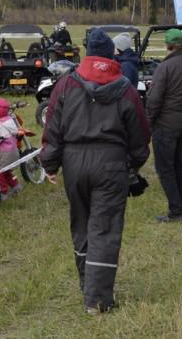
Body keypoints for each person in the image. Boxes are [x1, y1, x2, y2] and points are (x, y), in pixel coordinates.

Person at [41, 29, 150, 314]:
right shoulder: (126, 87)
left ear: (87, 52)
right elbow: (140, 131)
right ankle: (97, 298)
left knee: (82, 225)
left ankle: (87, 286)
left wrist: (50, 164)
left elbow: (52, 127)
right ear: (112, 53)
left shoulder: (65, 84)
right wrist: (136, 162)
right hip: (111, 164)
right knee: (105, 229)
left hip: (74, 164)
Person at [145, 28, 182, 222]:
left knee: (165, 169)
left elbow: (154, 99)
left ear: (167, 45)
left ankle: (177, 211)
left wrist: (150, 121)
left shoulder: (165, 67)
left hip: (165, 125)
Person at [0, 99, 22, 199]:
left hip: (4, 153)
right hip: (13, 151)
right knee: (5, 170)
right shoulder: (9, 121)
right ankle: (16, 186)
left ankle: (3, 193)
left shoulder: (0, 125)